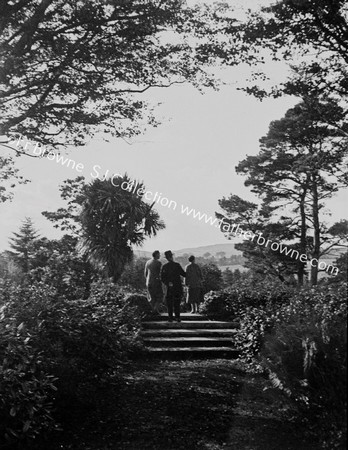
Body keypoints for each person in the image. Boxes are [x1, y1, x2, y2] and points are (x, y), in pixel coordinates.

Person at [160, 250, 186, 322]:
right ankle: (177, 317)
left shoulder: (165, 266)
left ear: (167, 258)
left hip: (169, 288)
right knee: (177, 303)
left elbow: (162, 278)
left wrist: (168, 283)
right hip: (177, 287)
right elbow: (184, 274)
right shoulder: (177, 265)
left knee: (169, 303)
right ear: (172, 257)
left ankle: (170, 317)